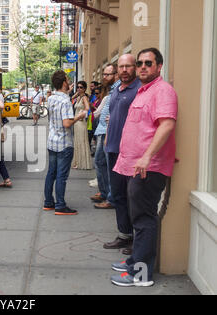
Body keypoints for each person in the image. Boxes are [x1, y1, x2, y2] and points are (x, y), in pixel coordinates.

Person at [110, 48, 177, 287]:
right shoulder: (143, 91)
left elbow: (167, 125)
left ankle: (141, 274)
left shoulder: (163, 90)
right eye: (139, 63)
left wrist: (147, 157)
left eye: (148, 63)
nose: (142, 67)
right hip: (133, 166)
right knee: (136, 216)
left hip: (148, 168)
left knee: (143, 219)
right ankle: (134, 263)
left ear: (159, 66)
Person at [103, 54, 142, 254]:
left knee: (132, 198)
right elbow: (113, 118)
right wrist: (107, 139)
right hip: (112, 149)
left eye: (128, 66)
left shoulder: (139, 90)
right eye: (121, 66)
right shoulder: (116, 90)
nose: (124, 70)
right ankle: (124, 235)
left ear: (134, 67)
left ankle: (136, 240)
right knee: (117, 195)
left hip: (129, 153)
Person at [43, 71, 86, 215]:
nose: (69, 82)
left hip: (52, 141)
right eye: (67, 80)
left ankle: (48, 202)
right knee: (61, 176)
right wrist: (79, 116)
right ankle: (60, 205)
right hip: (64, 143)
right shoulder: (65, 101)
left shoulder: (51, 98)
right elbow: (67, 123)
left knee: (51, 173)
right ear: (63, 83)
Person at [91, 64, 120, 210]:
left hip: (108, 132)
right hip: (102, 131)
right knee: (100, 162)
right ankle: (105, 192)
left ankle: (111, 197)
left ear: (116, 74)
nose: (104, 77)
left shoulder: (119, 89)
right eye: (103, 74)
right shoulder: (113, 90)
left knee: (108, 165)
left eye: (107, 74)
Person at [71, 81, 92, 170]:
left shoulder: (84, 98)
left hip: (80, 122)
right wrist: (77, 93)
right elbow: (71, 98)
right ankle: (78, 161)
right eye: (78, 87)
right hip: (76, 123)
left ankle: (83, 163)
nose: (79, 89)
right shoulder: (79, 97)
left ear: (84, 88)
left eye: (81, 87)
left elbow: (87, 108)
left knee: (81, 142)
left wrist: (81, 114)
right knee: (77, 142)